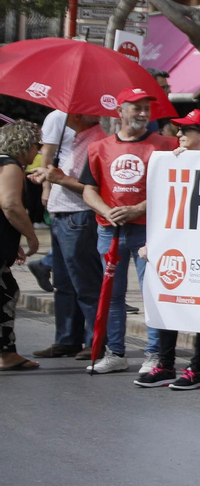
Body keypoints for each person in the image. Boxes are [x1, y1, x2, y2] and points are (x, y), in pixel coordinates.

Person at [79, 87, 180, 375]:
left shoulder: (167, 145)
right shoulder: (99, 148)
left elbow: (176, 186)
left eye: (146, 106)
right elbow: (89, 190)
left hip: (149, 232)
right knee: (112, 295)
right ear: (120, 111)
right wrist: (104, 210)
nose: (143, 112)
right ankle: (115, 353)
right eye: (135, 107)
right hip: (109, 233)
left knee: (153, 292)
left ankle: (154, 355)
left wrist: (140, 209)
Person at [139, 110, 200, 390]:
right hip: (175, 246)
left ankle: (197, 369)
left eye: (186, 131)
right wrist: (153, 241)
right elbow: (164, 207)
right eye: (178, 130)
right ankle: (165, 364)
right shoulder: (171, 162)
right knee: (168, 298)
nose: (178, 135)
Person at [30, 111, 105, 360]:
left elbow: (91, 187)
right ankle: (66, 339)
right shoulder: (78, 138)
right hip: (62, 212)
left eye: (73, 111)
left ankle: (94, 342)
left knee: (85, 283)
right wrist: (48, 179)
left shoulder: (95, 142)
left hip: (78, 215)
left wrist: (58, 178)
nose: (67, 114)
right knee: (63, 283)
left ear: (82, 116)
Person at [1, 120, 42, 372]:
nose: (38, 151)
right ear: (24, 144)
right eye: (37, 145)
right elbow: (10, 205)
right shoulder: (10, 165)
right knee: (6, 293)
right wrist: (30, 236)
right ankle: (6, 354)